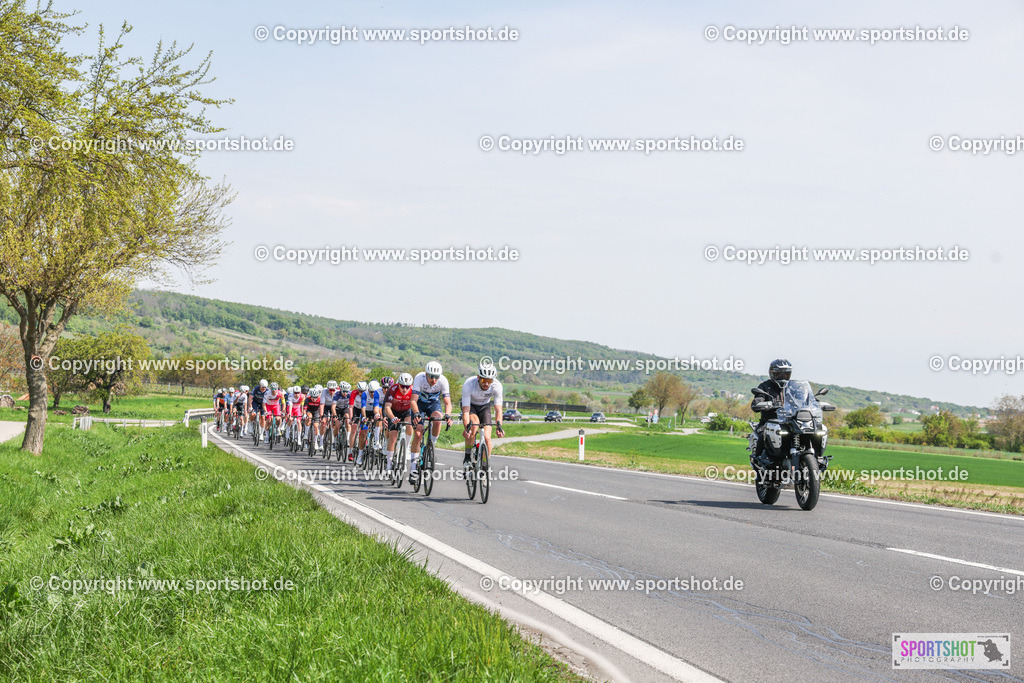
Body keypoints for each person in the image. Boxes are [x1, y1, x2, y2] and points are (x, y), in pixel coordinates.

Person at [410, 361, 452, 477]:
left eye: (436, 377)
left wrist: (448, 415)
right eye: (431, 376)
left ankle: (431, 446)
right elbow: (413, 400)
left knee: (438, 420)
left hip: (434, 404)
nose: (433, 380)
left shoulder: (443, 380)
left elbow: (447, 402)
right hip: (419, 404)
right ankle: (413, 467)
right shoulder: (419, 377)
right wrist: (417, 413)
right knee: (418, 433)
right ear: (426, 374)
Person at [461, 362, 505, 468]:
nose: (486, 383)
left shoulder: (497, 386)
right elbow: (466, 410)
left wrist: (499, 426)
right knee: (473, 428)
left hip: (485, 407)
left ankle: (485, 466)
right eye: (483, 380)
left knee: (487, 438)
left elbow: (498, 410)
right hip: (471, 406)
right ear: (478, 377)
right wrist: (467, 428)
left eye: (489, 381)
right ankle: (467, 457)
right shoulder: (469, 384)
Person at [750, 358, 792, 465]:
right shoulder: (765, 386)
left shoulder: (792, 388)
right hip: (768, 422)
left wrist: (815, 403)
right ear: (772, 374)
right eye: (779, 374)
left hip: (789, 423)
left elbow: (804, 398)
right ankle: (758, 461)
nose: (783, 377)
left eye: (786, 374)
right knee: (761, 436)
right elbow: (757, 400)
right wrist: (761, 403)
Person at [383, 373, 415, 476]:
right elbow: (387, 407)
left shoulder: (413, 391)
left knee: (409, 423)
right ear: (399, 384)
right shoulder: (393, 389)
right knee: (392, 437)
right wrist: (392, 418)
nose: (405, 389)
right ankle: (389, 465)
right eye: (402, 386)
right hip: (394, 412)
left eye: (407, 387)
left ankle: (407, 446)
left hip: (407, 411)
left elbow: (415, 405)